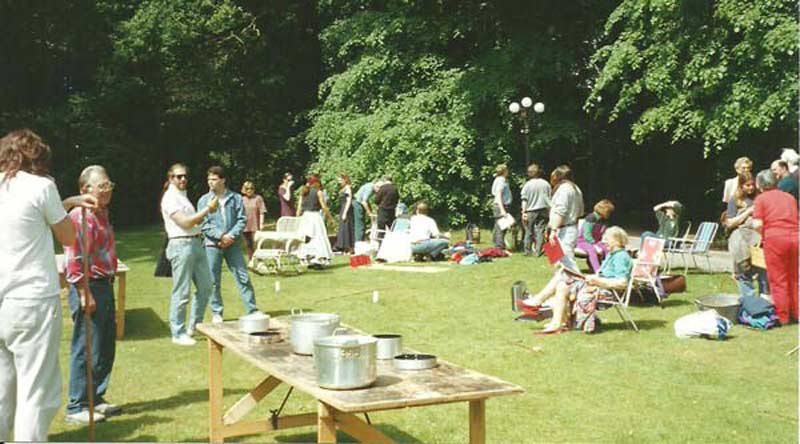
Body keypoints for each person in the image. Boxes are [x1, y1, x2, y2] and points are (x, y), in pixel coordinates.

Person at [0, 129, 97, 441]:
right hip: (31, 301)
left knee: (2, 386)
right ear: (37, 157)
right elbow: (68, 237)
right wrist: (70, 207)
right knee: (36, 389)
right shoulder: (42, 187)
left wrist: (67, 201)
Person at [63, 165, 122, 424]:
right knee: (86, 346)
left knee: (104, 345)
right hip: (89, 285)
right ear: (85, 189)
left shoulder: (102, 213)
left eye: (109, 185)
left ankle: (96, 397)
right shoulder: (80, 215)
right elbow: (74, 257)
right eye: (103, 185)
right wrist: (83, 292)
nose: (108, 190)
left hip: (104, 283)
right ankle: (77, 405)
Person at [520, 227, 632, 335]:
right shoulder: (612, 254)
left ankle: (538, 302)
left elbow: (622, 282)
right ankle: (557, 323)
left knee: (563, 277)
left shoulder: (621, 257)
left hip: (607, 291)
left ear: (617, 240)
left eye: (607, 239)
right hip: (599, 285)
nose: (604, 241)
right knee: (562, 284)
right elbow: (604, 274)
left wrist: (598, 281)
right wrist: (593, 277)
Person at [160, 163, 218, 346]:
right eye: (178, 176)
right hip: (180, 244)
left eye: (185, 176)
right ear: (171, 178)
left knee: (207, 286)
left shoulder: (182, 197)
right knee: (182, 290)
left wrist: (205, 215)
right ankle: (177, 333)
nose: (183, 179)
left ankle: (194, 325)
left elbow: (194, 222)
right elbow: (185, 223)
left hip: (195, 243)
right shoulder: (169, 198)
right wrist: (207, 209)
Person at [198, 166, 259, 323]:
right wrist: (220, 236)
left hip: (232, 244)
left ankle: (252, 310)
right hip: (212, 244)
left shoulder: (236, 198)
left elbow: (242, 219)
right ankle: (217, 312)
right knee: (213, 280)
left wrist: (231, 236)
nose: (210, 182)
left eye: (214, 179)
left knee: (243, 276)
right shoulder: (204, 201)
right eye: (209, 179)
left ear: (223, 180)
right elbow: (204, 224)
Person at [751, 169, 798, 325]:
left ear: (760, 184)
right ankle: (797, 313)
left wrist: (761, 233)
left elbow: (758, 224)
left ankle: (783, 317)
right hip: (795, 237)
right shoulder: (789, 197)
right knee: (794, 278)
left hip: (775, 238)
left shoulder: (761, 199)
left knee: (778, 279)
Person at [724, 173, 768, 299]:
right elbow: (730, 223)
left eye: (753, 185)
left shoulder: (760, 198)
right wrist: (748, 212)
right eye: (747, 185)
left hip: (759, 240)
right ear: (741, 185)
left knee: (763, 272)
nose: (751, 188)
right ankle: (749, 302)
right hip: (741, 239)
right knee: (744, 273)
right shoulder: (735, 200)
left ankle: (765, 303)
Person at [546, 164, 584, 263]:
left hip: (563, 230)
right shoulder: (576, 188)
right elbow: (580, 212)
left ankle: (574, 278)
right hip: (570, 227)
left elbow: (560, 211)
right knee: (560, 263)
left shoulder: (564, 189)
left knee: (566, 263)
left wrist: (553, 230)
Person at [296, 174, 334, 267]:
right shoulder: (318, 192)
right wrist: (331, 218)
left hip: (305, 216)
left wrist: (297, 217)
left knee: (306, 238)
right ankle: (319, 256)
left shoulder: (303, 192)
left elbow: (299, 206)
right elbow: (324, 207)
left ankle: (305, 256)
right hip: (315, 216)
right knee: (318, 237)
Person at [575, 199, 615, 272]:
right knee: (592, 249)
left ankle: (608, 268)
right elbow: (587, 235)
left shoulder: (603, 220)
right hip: (583, 241)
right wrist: (595, 246)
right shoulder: (591, 218)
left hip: (596, 241)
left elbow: (602, 235)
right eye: (609, 212)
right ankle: (598, 270)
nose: (610, 214)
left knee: (607, 248)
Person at [519, 163, 551, 256]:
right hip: (543, 209)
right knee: (541, 230)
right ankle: (538, 251)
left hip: (531, 210)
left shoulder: (527, 185)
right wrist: (550, 210)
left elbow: (524, 199)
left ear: (529, 174)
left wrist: (523, 212)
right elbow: (549, 199)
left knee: (529, 231)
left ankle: (527, 251)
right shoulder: (546, 184)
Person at [241, 180, 266, 259]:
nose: (249, 190)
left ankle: (260, 259)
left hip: (256, 224)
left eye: (251, 188)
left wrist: (261, 223)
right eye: (247, 189)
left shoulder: (258, 198)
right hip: (246, 225)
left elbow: (262, 211)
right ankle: (251, 259)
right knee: (248, 244)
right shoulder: (242, 199)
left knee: (258, 243)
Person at [491, 164, 513, 249]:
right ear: (504, 171)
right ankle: (499, 246)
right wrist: (502, 209)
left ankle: (497, 244)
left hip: (500, 205)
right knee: (501, 226)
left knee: (498, 226)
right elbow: (498, 195)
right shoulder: (501, 180)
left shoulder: (498, 179)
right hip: (501, 205)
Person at [334, 173, 355, 253]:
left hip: (346, 209)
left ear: (344, 180)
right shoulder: (343, 188)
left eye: (340, 180)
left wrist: (345, 213)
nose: (339, 182)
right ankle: (344, 247)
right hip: (343, 208)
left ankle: (349, 247)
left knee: (347, 227)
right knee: (343, 228)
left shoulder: (348, 189)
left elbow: (349, 201)